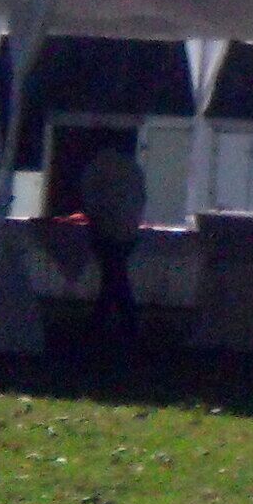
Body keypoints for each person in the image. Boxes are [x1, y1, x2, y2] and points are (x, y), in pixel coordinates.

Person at [74, 134, 148, 352]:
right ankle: (119, 323)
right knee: (115, 276)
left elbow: (91, 201)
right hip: (128, 230)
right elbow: (141, 197)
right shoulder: (132, 168)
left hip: (105, 229)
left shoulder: (96, 168)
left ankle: (109, 324)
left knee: (113, 276)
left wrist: (96, 219)